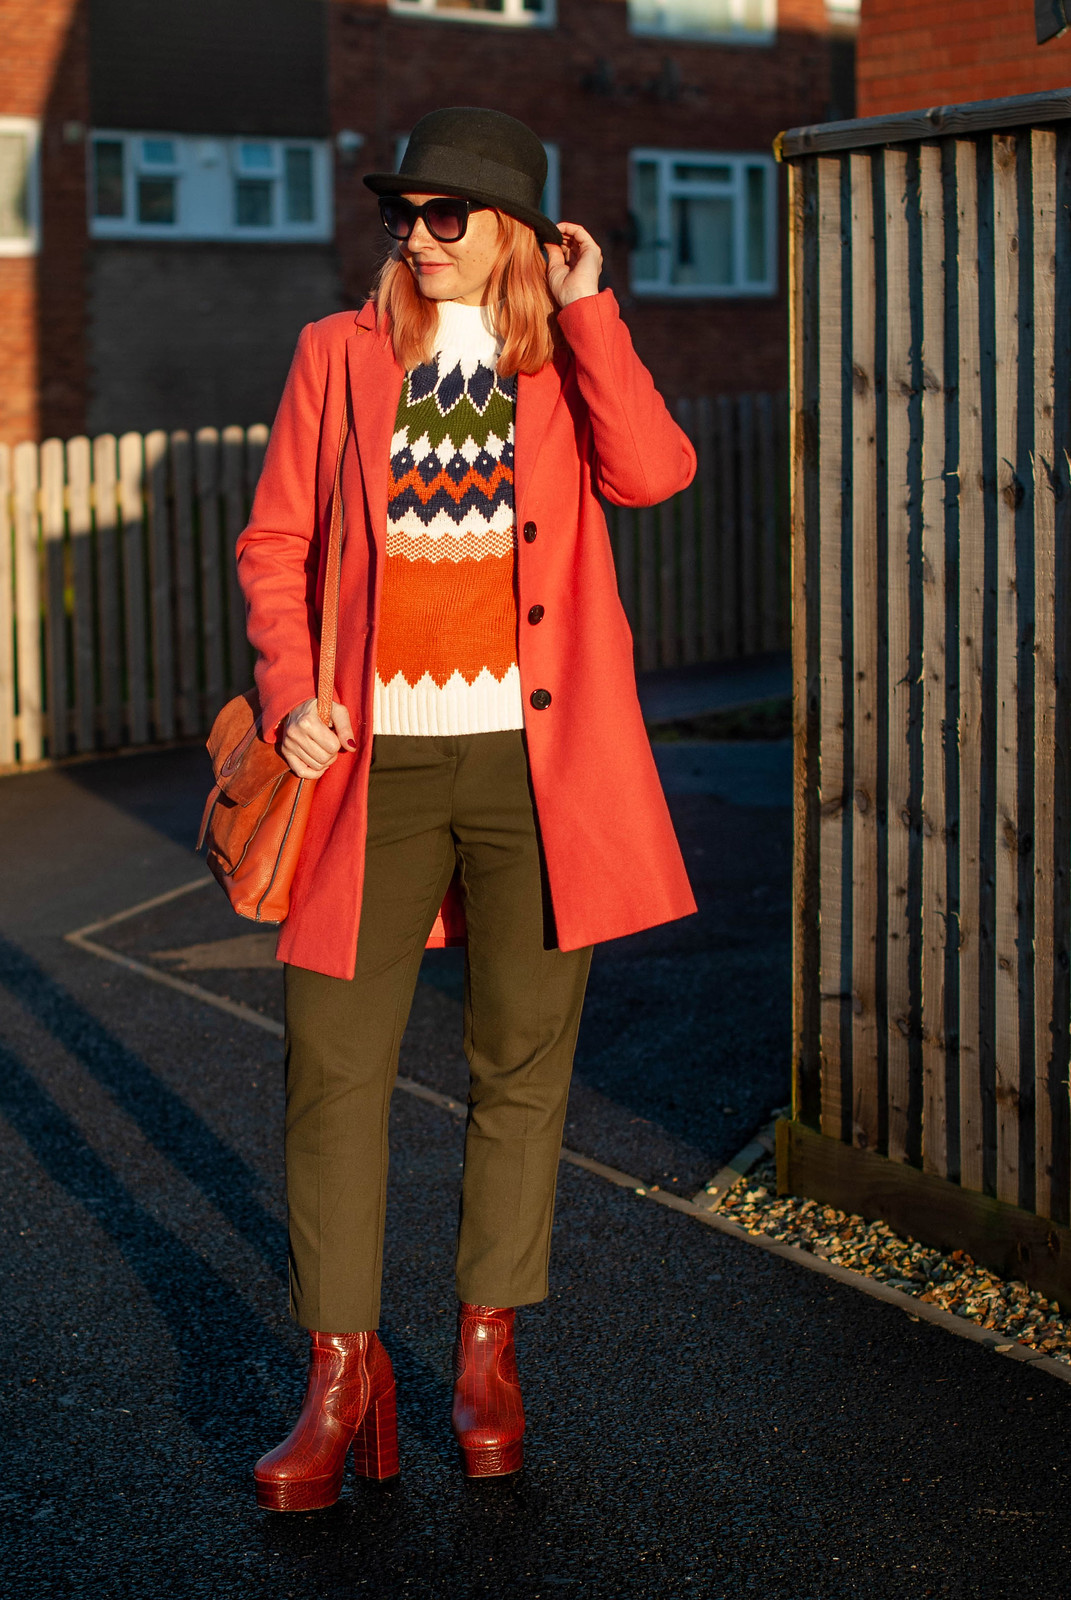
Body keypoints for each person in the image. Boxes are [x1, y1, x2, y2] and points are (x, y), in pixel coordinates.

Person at [237, 106, 697, 1512]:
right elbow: (275, 545)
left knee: (519, 1069)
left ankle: (486, 1357)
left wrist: (591, 307)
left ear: (510, 229)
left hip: (532, 772)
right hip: (368, 768)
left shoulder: (561, 364)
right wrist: (288, 683)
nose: (420, 240)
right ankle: (337, 1374)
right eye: (404, 215)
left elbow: (653, 473)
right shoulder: (337, 355)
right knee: (333, 1067)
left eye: (450, 217)